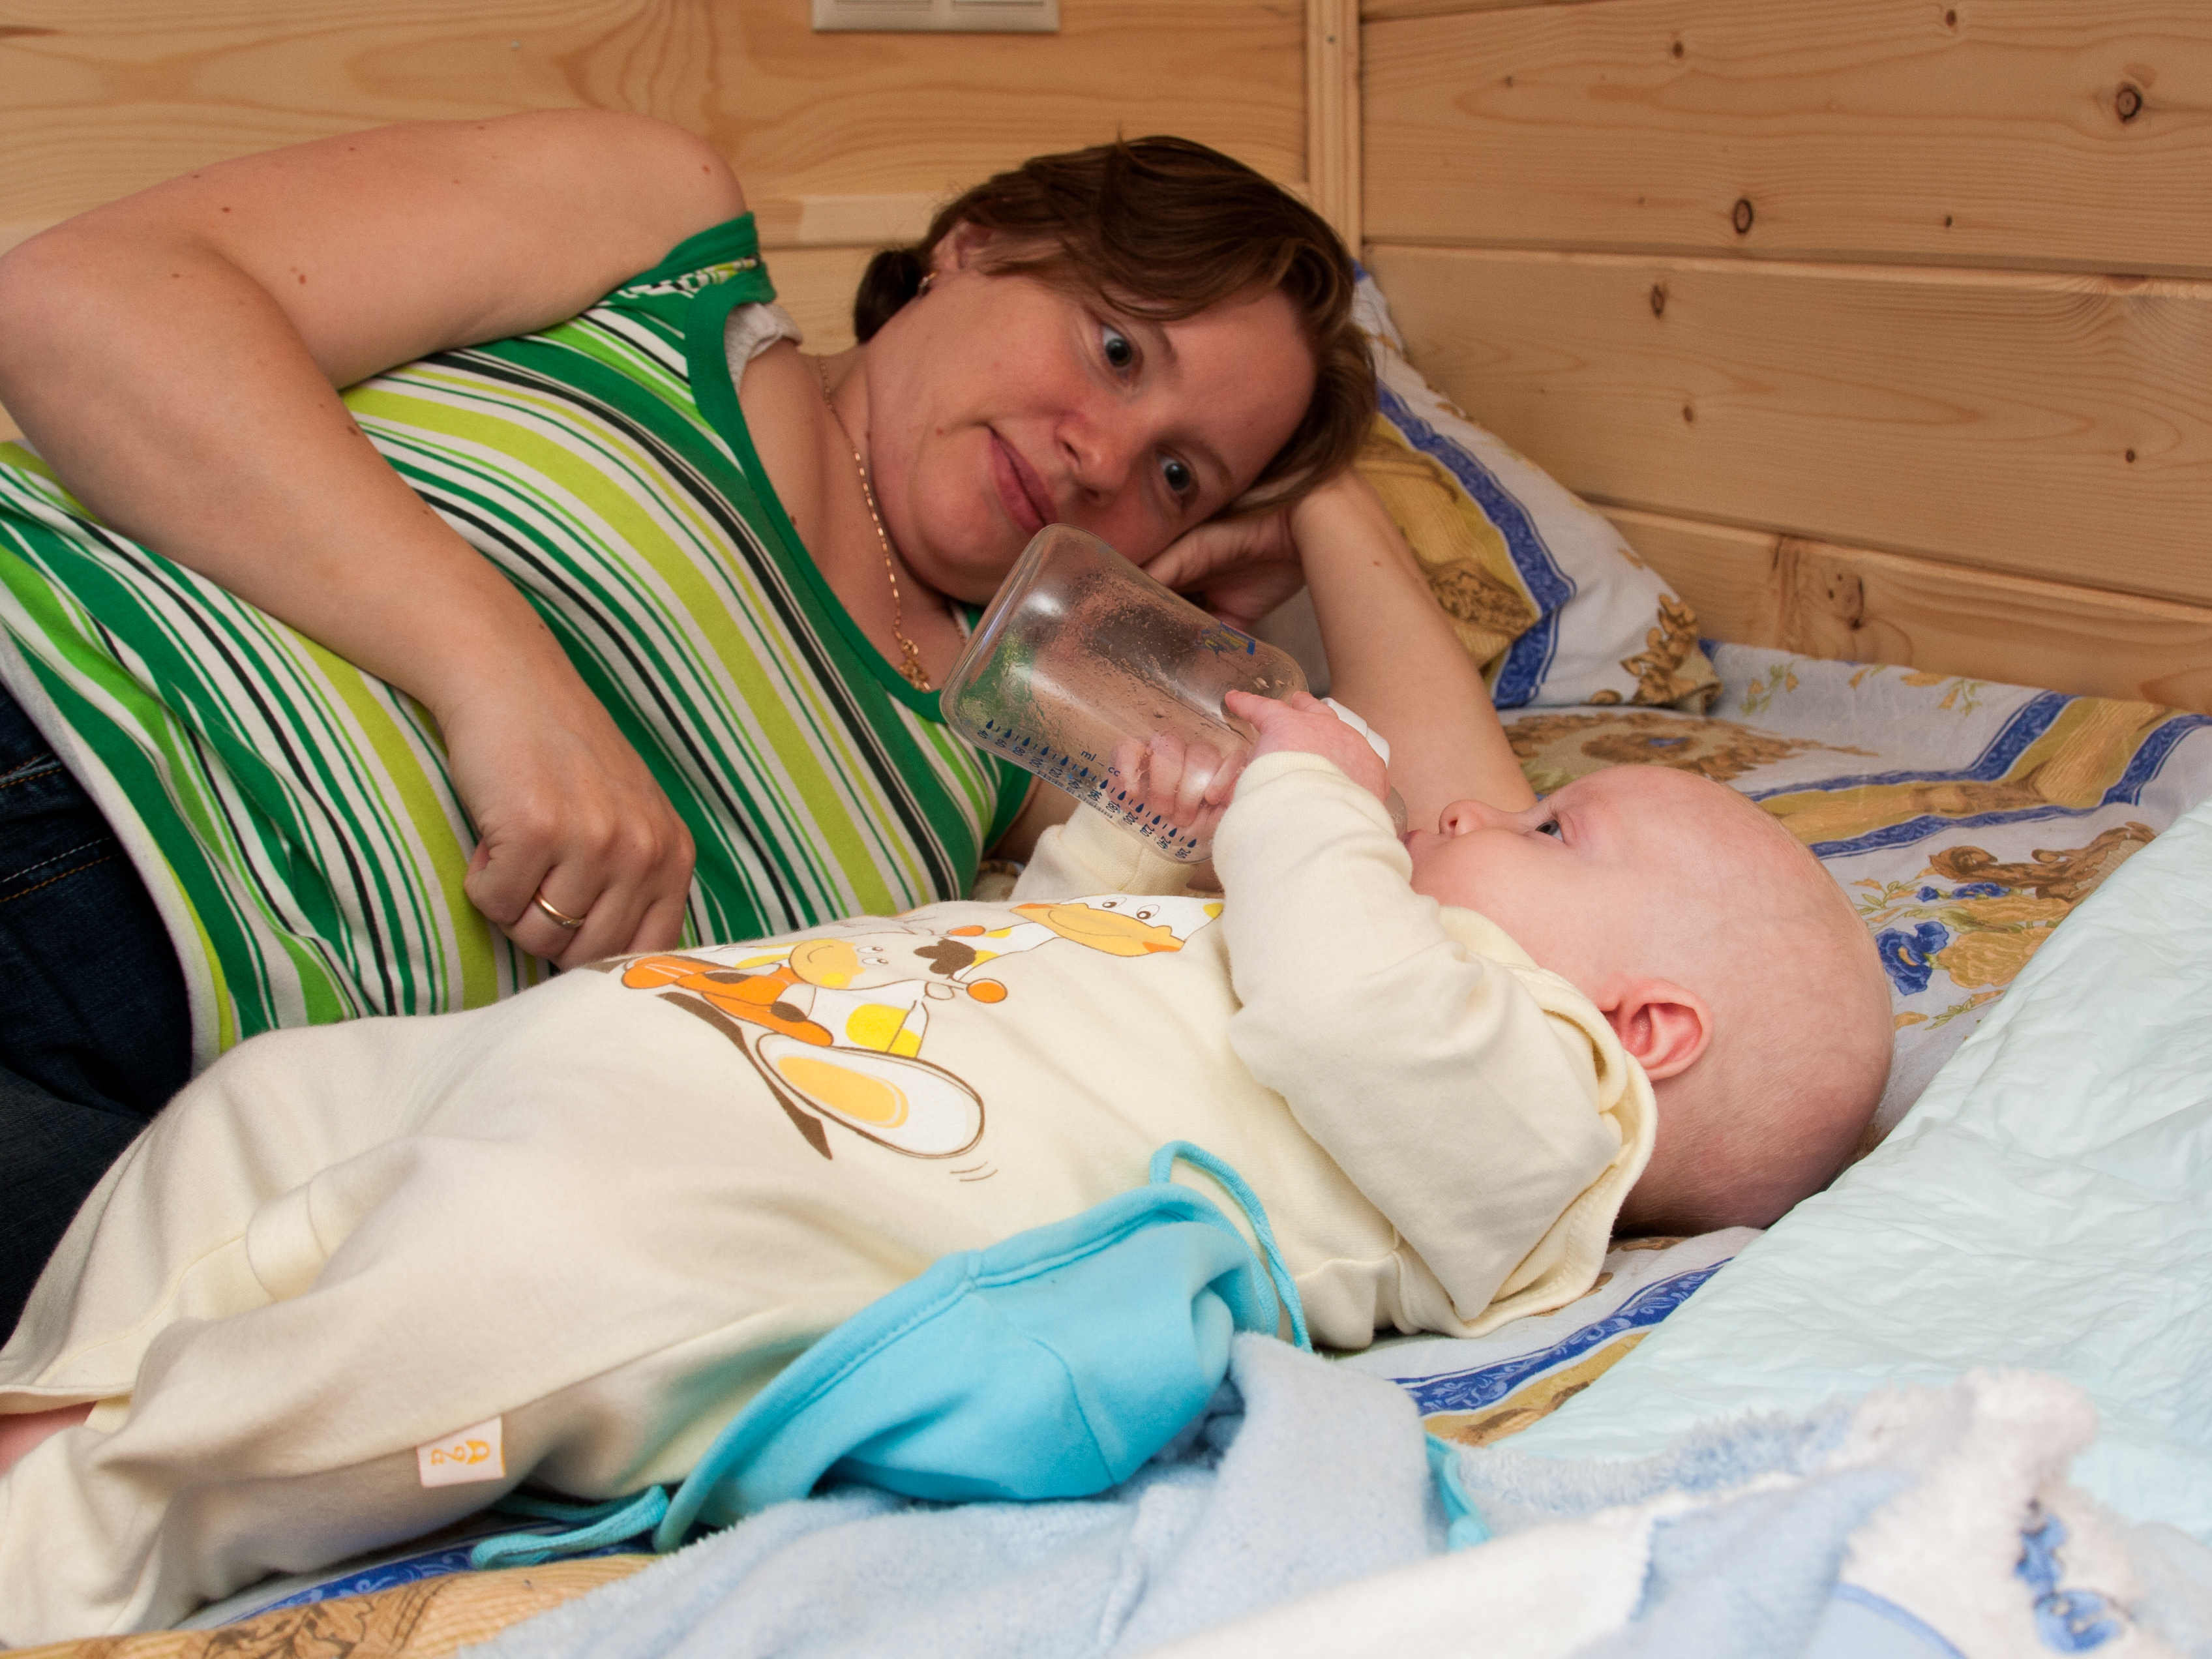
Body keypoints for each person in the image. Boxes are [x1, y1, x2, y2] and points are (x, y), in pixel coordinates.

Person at [0, 495, 1892, 1642]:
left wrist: (1311, 795)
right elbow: (1061, 939)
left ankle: (80, 1524)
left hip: (779, 1192)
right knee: (278, 1097)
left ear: (1646, 1030)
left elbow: (1343, 1014)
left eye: (1553, 832)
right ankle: (72, 1375)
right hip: (707, 1036)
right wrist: (1150, 832)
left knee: (483, 1311)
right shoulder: (1371, 937)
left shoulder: (1544, 1118)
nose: (1482, 814)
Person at [0, 117, 1382, 1327]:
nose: (1104, 454)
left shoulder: (1010, 734)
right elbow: (83, 298)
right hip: (49, 735)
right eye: (1117, 349)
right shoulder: (664, 238)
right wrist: (502, 676)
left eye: (1179, 475)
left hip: (194, 1138)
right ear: (978, 245)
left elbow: (1426, 872)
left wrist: (1336, 507)